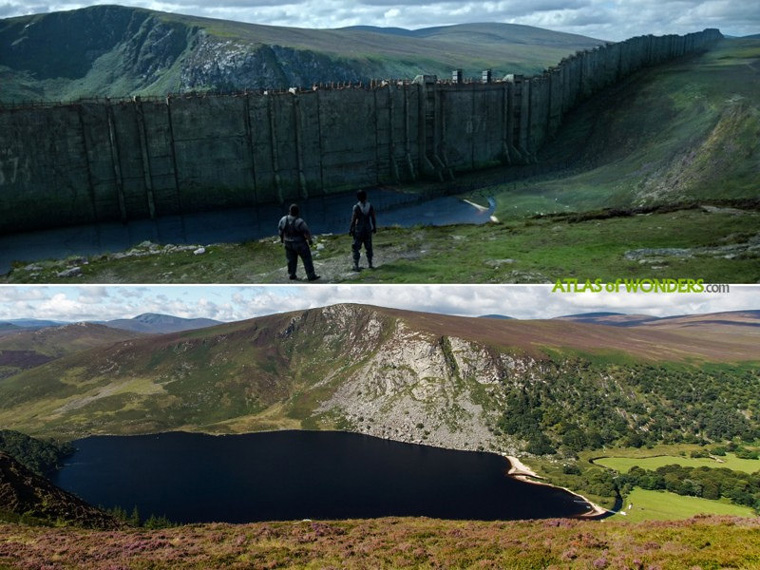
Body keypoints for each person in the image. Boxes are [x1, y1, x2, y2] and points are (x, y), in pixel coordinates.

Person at [278, 204, 320, 281]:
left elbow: (280, 231)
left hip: (288, 243)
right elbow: (306, 232)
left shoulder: (283, 219)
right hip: (300, 243)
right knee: (307, 259)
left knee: (291, 260)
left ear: (289, 211)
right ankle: (311, 276)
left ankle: (292, 274)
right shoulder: (300, 222)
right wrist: (310, 241)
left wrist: (282, 239)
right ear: (298, 212)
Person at [348, 189, 377, 271]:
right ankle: (370, 264)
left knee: (356, 247)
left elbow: (353, 219)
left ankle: (356, 265)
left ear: (358, 198)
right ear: (366, 196)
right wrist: (374, 227)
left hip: (359, 230)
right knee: (369, 247)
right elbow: (373, 218)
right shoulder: (370, 206)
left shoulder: (356, 207)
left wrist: (350, 229)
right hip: (367, 229)